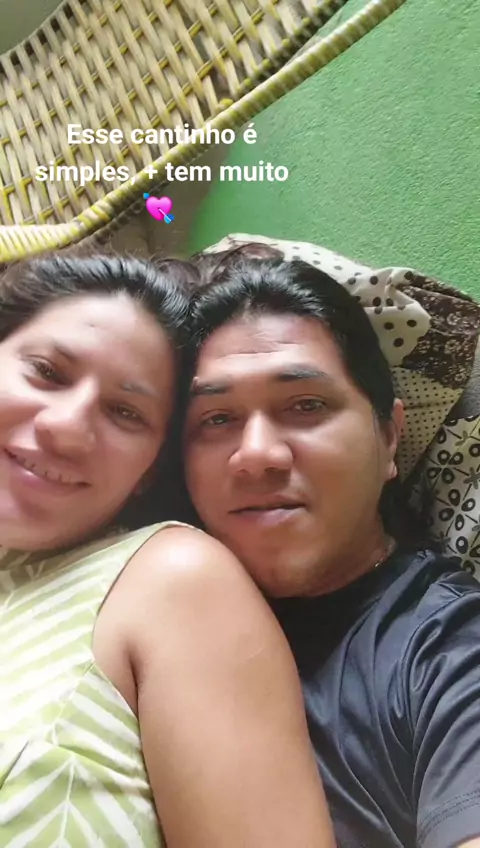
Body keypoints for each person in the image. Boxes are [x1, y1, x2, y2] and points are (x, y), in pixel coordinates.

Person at [0, 252, 336, 847]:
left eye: (125, 412)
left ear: (150, 471)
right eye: (47, 372)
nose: (67, 427)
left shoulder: (169, 580)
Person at [181, 244, 480, 848]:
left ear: (389, 437)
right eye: (216, 419)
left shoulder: (447, 650)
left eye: (306, 405)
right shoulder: (145, 604)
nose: (257, 455)